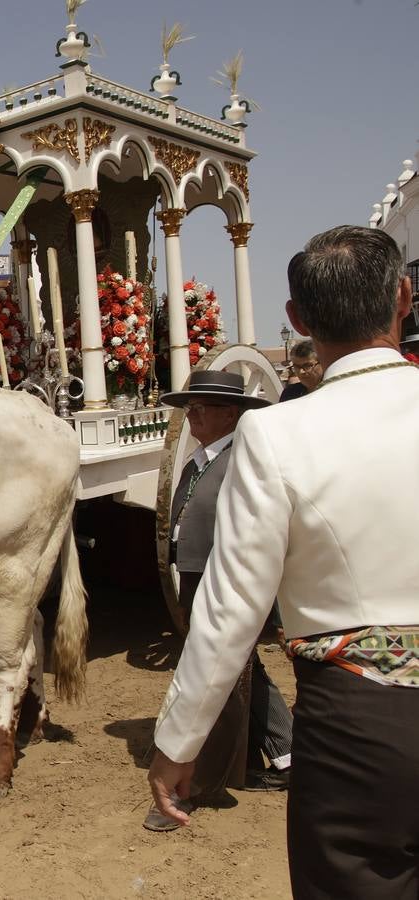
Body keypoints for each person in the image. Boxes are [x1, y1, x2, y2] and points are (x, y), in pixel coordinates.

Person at [148, 226, 419, 898]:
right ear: (403, 298)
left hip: (359, 724)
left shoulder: (274, 433)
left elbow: (230, 609)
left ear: (297, 318)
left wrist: (178, 741)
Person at [142, 370, 292, 832]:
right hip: (194, 575)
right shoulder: (200, 459)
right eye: (190, 408)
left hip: (227, 580)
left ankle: (206, 779)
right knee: (240, 668)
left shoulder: (240, 460)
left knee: (221, 672)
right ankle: (286, 751)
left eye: (201, 408)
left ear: (231, 414)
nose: (192, 416)